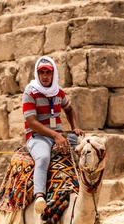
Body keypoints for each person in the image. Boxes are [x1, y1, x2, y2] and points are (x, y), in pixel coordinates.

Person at [22, 56, 85, 214]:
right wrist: (55, 136)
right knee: (43, 158)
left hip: (59, 136)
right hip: (38, 137)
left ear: (53, 74)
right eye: (41, 72)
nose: (45, 76)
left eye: (48, 73)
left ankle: (88, 187)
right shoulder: (30, 92)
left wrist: (75, 128)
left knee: (86, 147)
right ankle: (39, 196)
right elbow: (31, 122)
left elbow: (69, 110)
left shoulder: (58, 92)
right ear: (37, 74)